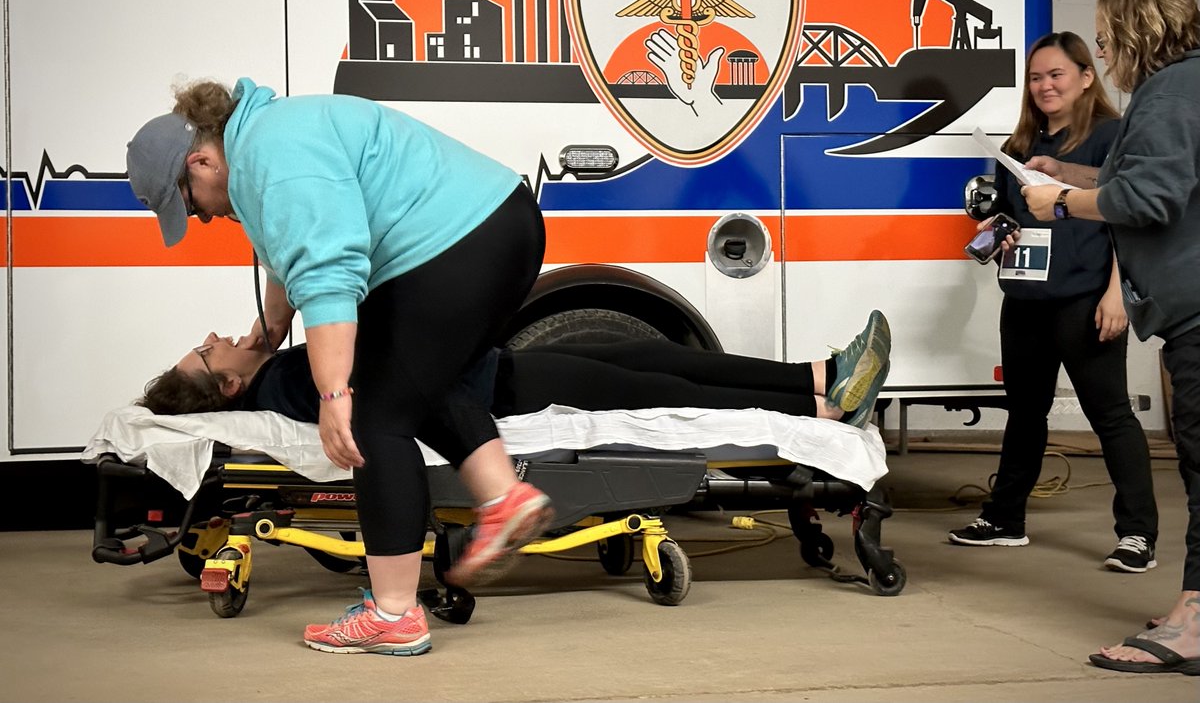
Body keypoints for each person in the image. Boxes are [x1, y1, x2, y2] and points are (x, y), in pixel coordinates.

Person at [126, 78, 561, 656]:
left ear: (201, 161)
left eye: (192, 204)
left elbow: (327, 272)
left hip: (457, 242)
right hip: (490, 227)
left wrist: (333, 397)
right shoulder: (263, 141)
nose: (203, 217)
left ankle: (394, 615)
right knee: (408, 383)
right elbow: (286, 251)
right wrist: (272, 328)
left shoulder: (269, 158)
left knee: (373, 415)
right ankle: (504, 497)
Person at [1020, 0, 1200, 676]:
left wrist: (1062, 201)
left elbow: (1150, 199)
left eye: (1103, 39)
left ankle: (1193, 623)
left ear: (1134, 33)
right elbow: (1152, 177)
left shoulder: (1167, 93)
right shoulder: (1185, 88)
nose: (1104, 53)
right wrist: (1069, 172)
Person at [948, 32, 1159, 575]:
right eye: (1036, 77)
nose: (1044, 85)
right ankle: (1005, 519)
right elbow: (1015, 218)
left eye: (1056, 74)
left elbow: (1129, 222)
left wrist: (1117, 295)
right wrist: (999, 238)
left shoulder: (1113, 137)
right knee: (1025, 412)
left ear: (1087, 77)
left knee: (1109, 415)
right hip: (1025, 298)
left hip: (1087, 298)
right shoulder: (1018, 148)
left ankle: (1137, 534)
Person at [136, 311, 893, 430]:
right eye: (206, 352)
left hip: (499, 369)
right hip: (503, 395)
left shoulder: (274, 374)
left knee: (661, 357)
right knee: (668, 393)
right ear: (227, 384)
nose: (213, 335)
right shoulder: (289, 385)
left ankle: (819, 372)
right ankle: (825, 414)